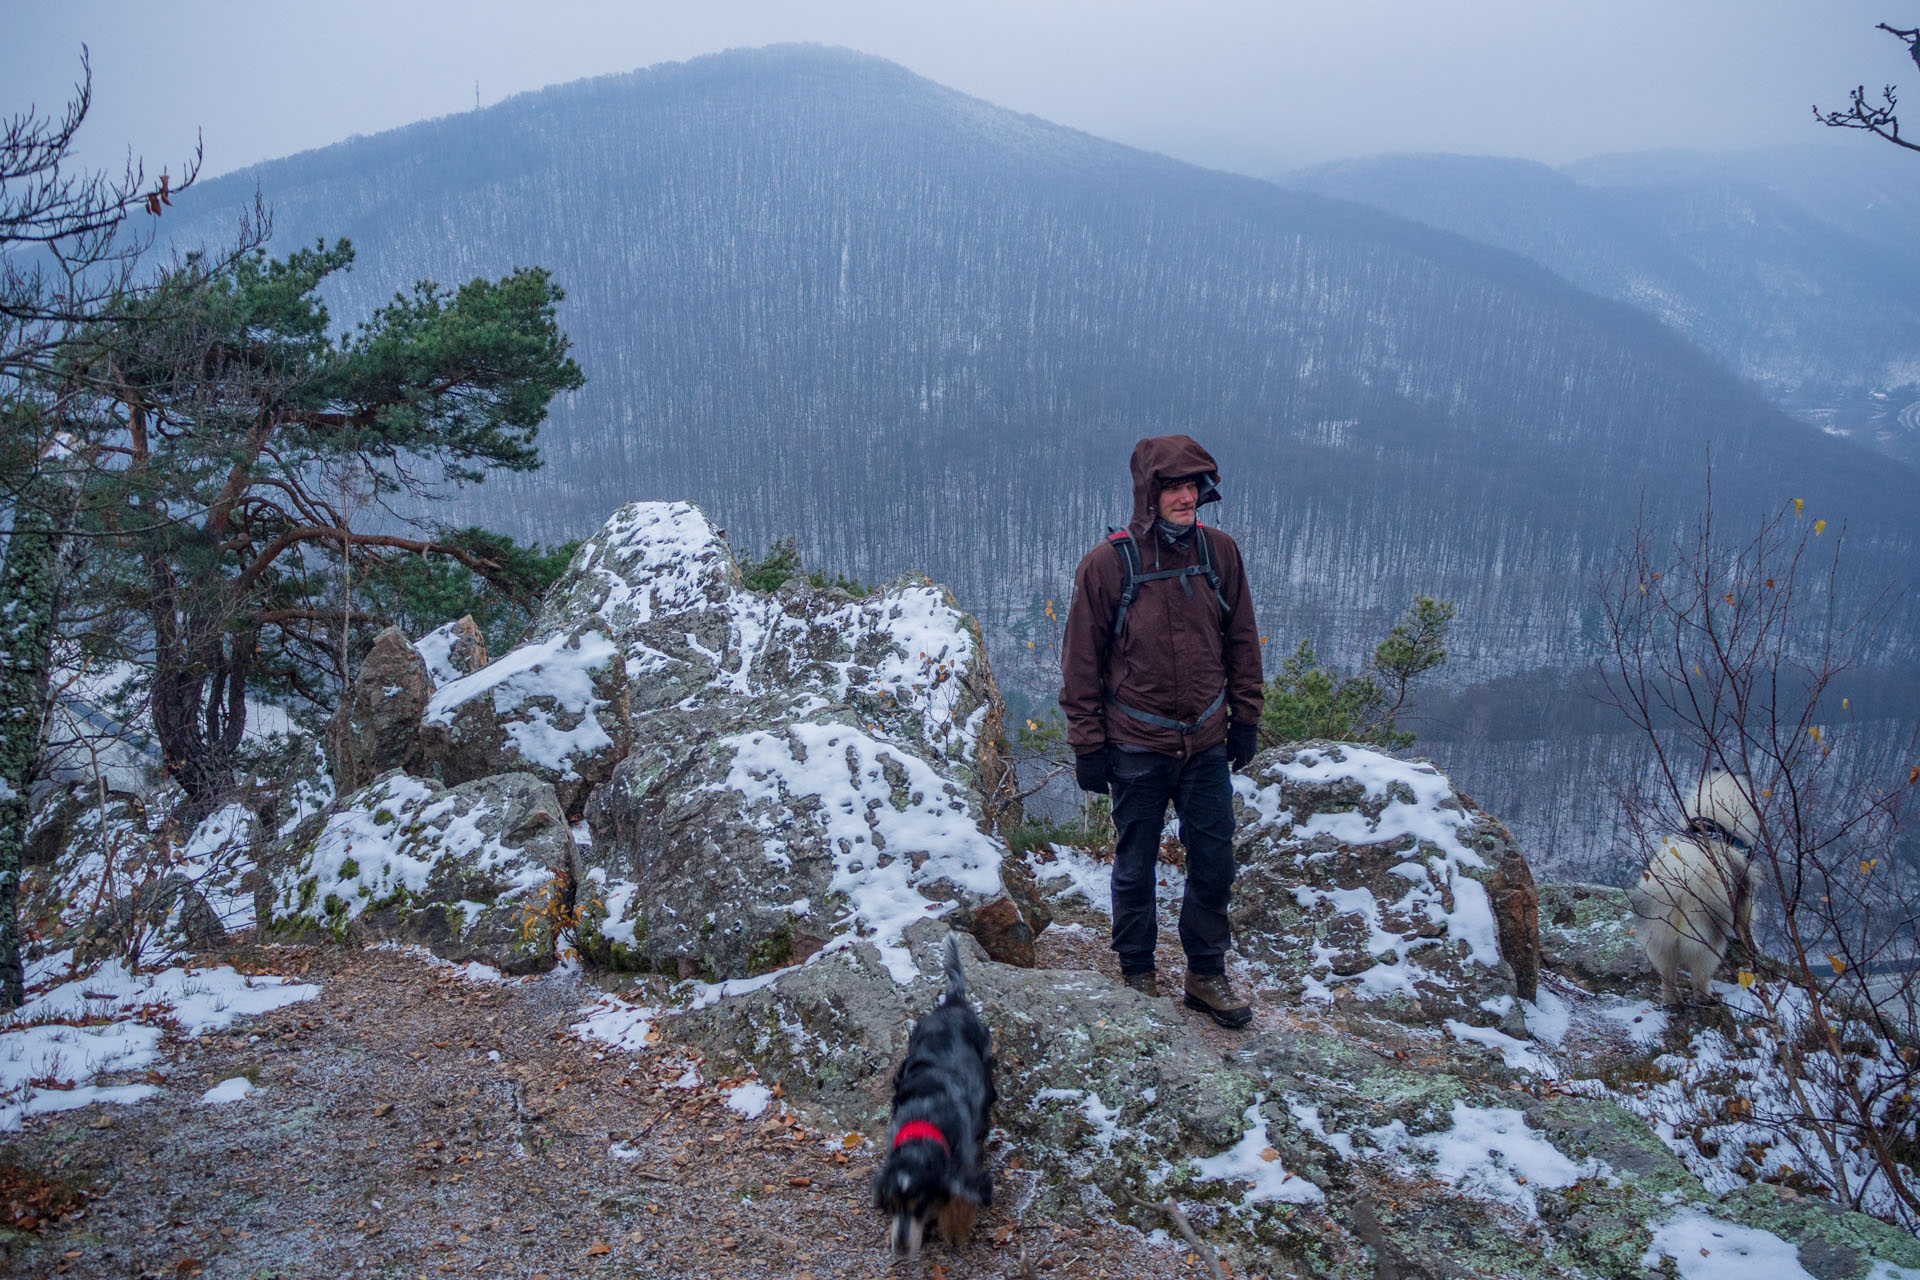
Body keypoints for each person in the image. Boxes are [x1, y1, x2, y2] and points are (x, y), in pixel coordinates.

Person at [1058, 435, 1264, 1028]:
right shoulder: (1109, 564)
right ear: (1148, 493)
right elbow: (1081, 662)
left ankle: (1205, 973)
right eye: (1171, 486)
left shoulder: (1218, 553)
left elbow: (1242, 640)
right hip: (1135, 743)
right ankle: (1138, 975)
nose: (1184, 496)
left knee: (1215, 860)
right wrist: (1088, 745)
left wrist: (1244, 718)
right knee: (1134, 862)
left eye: (1192, 485)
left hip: (1205, 741)